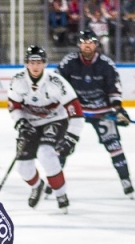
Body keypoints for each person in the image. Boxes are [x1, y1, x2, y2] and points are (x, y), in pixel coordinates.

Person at [58, 29, 135, 198]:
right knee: (64, 146)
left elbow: (114, 89)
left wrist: (119, 109)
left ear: (96, 45)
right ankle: (54, 182)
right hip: (76, 112)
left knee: (114, 146)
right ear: (79, 44)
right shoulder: (68, 63)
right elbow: (58, 86)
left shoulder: (106, 64)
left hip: (102, 111)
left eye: (91, 42)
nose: (87, 45)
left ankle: (126, 180)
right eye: (84, 42)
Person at [8, 45, 83, 213]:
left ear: (45, 64)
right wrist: (20, 122)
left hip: (54, 121)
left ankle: (61, 194)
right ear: (26, 63)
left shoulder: (56, 83)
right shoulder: (18, 81)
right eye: (32, 62)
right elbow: (14, 106)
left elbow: (76, 113)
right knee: (22, 168)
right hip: (30, 125)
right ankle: (37, 186)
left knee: (46, 153)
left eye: (39, 62)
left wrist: (72, 138)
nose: (35, 66)